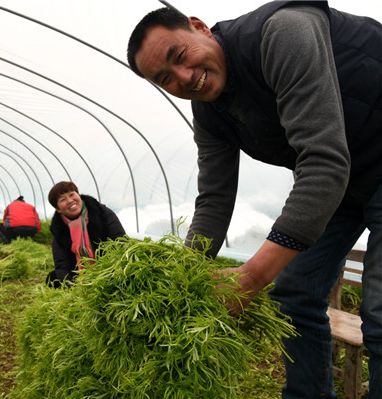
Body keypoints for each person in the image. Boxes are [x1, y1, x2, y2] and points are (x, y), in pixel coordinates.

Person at [127, 2, 381, 398]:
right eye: (165, 79)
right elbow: (213, 200)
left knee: (379, 312)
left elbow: (324, 161)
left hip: (347, 166)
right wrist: (178, 281)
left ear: (199, 27)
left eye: (180, 57)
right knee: (294, 292)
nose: (184, 77)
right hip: (345, 186)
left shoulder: (282, 32)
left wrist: (253, 275)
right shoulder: (210, 112)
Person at [46, 181, 126, 288]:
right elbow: (62, 264)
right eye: (63, 200)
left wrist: (108, 272)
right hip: (81, 277)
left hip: (110, 268)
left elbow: (120, 242)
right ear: (58, 209)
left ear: (78, 195)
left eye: (72, 194)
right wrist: (78, 288)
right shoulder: (59, 229)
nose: (70, 201)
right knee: (54, 279)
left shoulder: (102, 212)